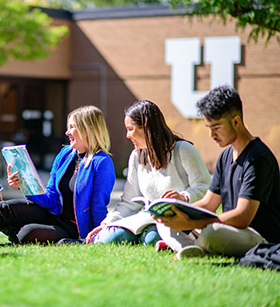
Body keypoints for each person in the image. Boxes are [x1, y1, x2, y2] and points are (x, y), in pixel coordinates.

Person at [0, 105, 115, 246]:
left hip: (73, 228)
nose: (67, 132)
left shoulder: (102, 162)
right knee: (2, 209)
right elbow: (51, 198)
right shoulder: (65, 154)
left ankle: (4, 238)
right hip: (52, 213)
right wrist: (23, 185)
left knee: (27, 234)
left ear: (88, 129)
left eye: (72, 127)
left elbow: (98, 205)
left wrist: (95, 238)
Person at [155, 86, 280, 259]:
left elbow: (243, 216)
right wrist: (176, 210)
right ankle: (193, 247)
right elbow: (208, 204)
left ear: (236, 121)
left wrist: (191, 223)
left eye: (216, 127)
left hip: (259, 237)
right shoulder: (225, 156)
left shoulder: (258, 158)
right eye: (208, 127)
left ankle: (190, 245)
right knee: (166, 222)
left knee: (212, 233)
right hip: (230, 229)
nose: (211, 134)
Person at [86, 100, 211, 246]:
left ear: (146, 127)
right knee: (108, 238)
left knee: (151, 239)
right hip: (147, 217)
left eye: (130, 129)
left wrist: (184, 197)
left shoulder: (183, 150)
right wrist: (107, 223)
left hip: (177, 216)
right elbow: (129, 202)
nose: (127, 135)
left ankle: (154, 236)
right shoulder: (136, 156)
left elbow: (206, 187)